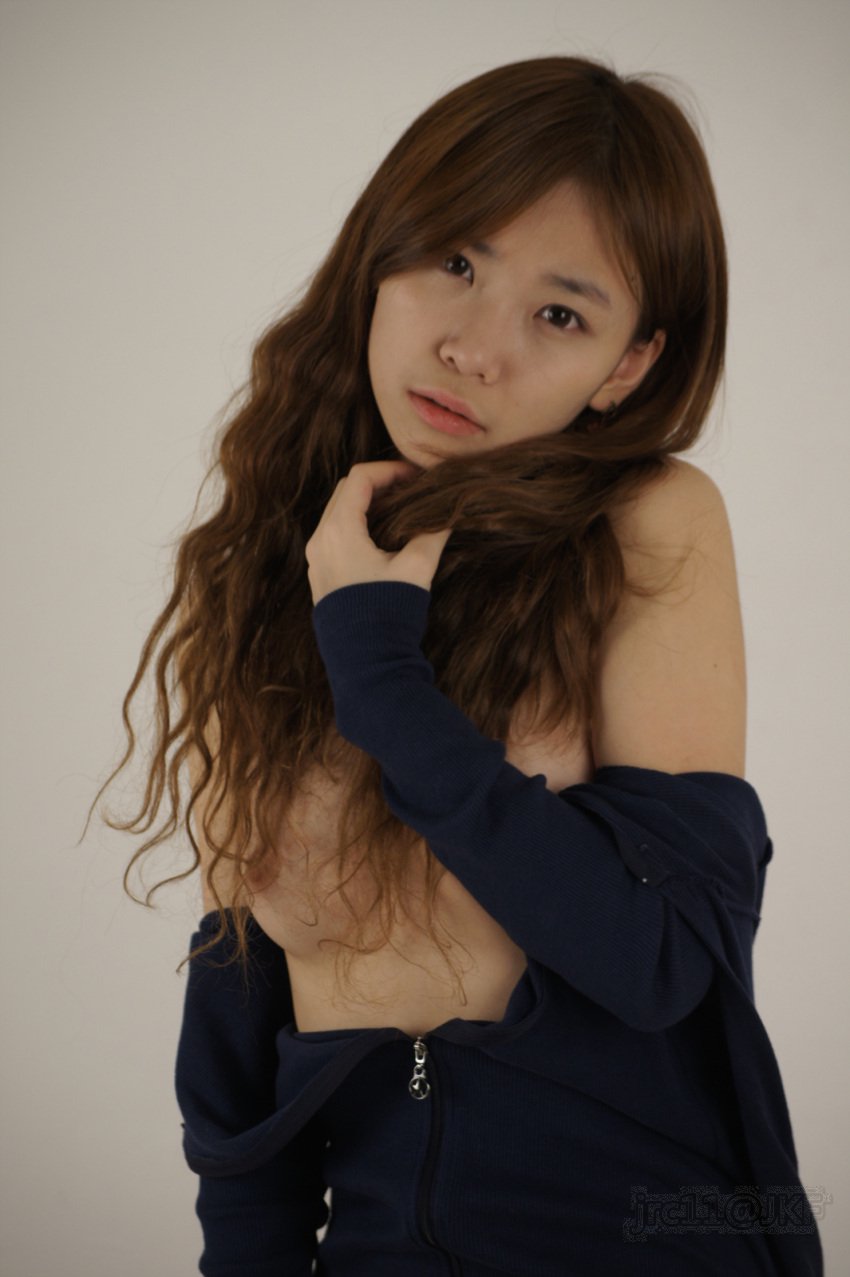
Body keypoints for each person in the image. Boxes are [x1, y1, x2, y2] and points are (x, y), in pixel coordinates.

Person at [90, 55, 824, 1276]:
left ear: (628, 365)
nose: (473, 347)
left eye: (559, 314)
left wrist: (381, 674)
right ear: (382, 250)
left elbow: (662, 959)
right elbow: (237, 1058)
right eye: (456, 262)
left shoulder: (644, 526)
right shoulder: (268, 571)